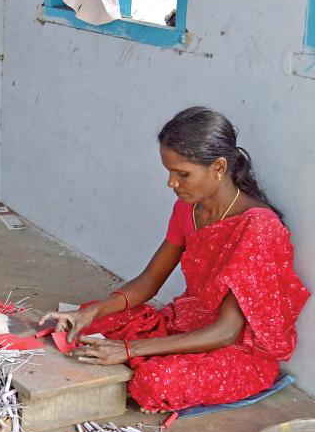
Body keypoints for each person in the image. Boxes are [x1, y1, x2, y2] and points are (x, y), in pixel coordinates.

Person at [40, 107, 310, 412]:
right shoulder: (188, 209)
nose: (172, 183)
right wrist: (93, 312)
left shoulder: (257, 228)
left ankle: (144, 360)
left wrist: (130, 349)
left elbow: (226, 332)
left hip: (237, 350)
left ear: (218, 167)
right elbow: (149, 281)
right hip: (188, 323)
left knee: (154, 382)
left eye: (182, 174)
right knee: (88, 324)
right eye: (169, 172)